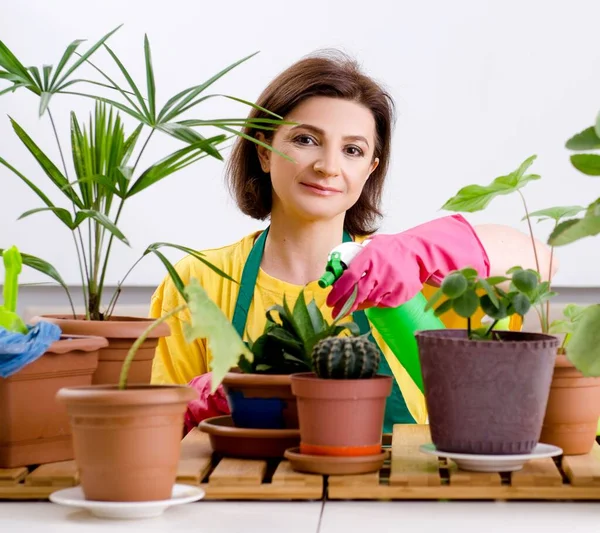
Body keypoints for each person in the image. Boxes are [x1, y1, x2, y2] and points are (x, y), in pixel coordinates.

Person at [149, 50, 556, 432]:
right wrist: (205, 401)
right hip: (246, 493)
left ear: (370, 170)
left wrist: (417, 254)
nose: (328, 167)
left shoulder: (404, 281)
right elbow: (157, 429)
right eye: (305, 140)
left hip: (400, 497)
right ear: (264, 150)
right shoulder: (197, 281)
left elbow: (541, 261)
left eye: (352, 150)